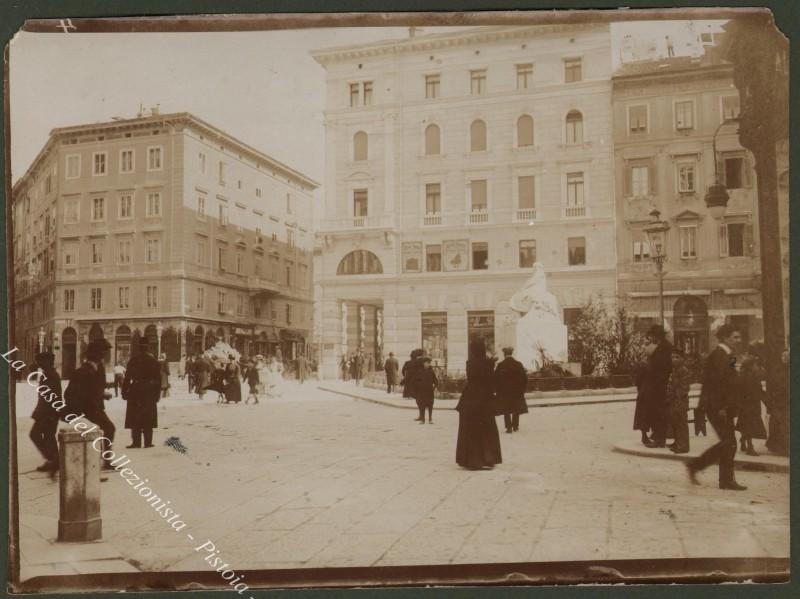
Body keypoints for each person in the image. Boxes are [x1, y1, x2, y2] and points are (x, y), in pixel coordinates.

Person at [687, 324, 745, 490]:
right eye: (735, 337)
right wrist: (723, 407)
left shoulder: (729, 355)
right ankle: (697, 466)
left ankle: (725, 480)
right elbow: (718, 384)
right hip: (718, 407)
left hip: (724, 406)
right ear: (725, 338)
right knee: (728, 442)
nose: (738, 340)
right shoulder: (719, 356)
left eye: (739, 337)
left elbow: (733, 380)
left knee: (729, 443)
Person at [455, 339, 502, 470]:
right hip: (484, 399)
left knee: (469, 429)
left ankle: (471, 460)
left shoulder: (469, 363)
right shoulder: (488, 363)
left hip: (470, 398)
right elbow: (491, 381)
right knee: (487, 428)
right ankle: (488, 458)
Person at [68, 339, 115, 469]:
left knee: (106, 429)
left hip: (91, 408)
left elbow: (94, 388)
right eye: (102, 353)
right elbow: (87, 392)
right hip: (89, 409)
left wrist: (102, 393)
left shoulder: (95, 368)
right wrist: (102, 395)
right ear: (96, 355)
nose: (104, 355)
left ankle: (104, 460)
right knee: (109, 429)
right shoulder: (87, 371)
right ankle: (105, 461)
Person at [122, 338, 161, 448]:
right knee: (148, 416)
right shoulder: (153, 361)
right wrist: (157, 395)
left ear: (139, 348)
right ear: (148, 347)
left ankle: (136, 442)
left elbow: (127, 378)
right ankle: (148, 442)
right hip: (149, 390)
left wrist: (124, 392)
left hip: (136, 389)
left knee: (135, 416)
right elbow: (158, 380)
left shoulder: (133, 360)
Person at [29, 352, 61, 473]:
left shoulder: (51, 375)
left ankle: (53, 459)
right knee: (49, 436)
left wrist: (53, 414)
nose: (39, 363)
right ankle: (54, 461)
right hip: (46, 412)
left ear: (48, 362)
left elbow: (53, 397)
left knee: (35, 434)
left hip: (48, 413)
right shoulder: (48, 374)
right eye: (39, 361)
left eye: (42, 361)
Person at [642, 325, 673, 448]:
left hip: (660, 386)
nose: (651, 338)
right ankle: (658, 436)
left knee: (660, 413)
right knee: (658, 412)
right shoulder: (663, 347)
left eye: (652, 335)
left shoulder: (665, 348)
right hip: (658, 385)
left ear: (657, 336)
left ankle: (660, 440)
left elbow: (663, 368)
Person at [736, 352, 767, 456]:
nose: (756, 366)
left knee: (745, 423)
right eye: (755, 364)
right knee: (749, 424)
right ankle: (750, 447)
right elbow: (756, 390)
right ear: (751, 366)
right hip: (749, 404)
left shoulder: (747, 374)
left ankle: (743, 441)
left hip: (748, 404)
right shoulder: (749, 376)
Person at [494, 347, 528, 434]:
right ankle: (515, 426)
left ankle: (508, 427)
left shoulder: (501, 365)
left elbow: (496, 379)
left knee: (506, 409)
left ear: (504, 354)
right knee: (516, 408)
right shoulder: (518, 364)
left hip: (504, 392)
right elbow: (524, 379)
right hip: (516, 391)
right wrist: (521, 389)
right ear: (511, 353)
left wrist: (497, 390)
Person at [666, 349, 691, 454]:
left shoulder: (683, 370)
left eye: (677, 357)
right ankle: (677, 442)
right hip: (673, 400)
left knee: (681, 423)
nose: (674, 359)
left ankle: (683, 445)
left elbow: (684, 387)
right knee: (675, 422)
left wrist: (677, 397)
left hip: (680, 401)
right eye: (673, 357)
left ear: (682, 359)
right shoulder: (675, 369)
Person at [414, 357, 438, 424]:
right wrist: (419, 387)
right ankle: (423, 419)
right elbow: (416, 381)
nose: (428, 364)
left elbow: (435, 380)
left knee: (430, 405)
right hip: (422, 391)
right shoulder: (419, 371)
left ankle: (430, 419)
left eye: (429, 363)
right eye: (427, 363)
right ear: (423, 363)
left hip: (430, 391)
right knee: (422, 405)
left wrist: (435, 387)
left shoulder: (431, 371)